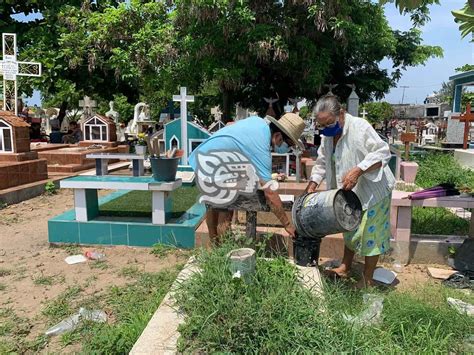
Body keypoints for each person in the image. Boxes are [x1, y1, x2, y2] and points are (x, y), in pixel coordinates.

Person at [306, 95, 395, 288]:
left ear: (342, 113)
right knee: (349, 228)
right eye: (323, 125)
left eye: (330, 123)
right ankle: (345, 267)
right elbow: (322, 162)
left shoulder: (360, 127)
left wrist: (358, 169)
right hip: (347, 192)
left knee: (370, 235)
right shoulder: (327, 136)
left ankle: (367, 279)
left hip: (372, 190)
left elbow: (382, 152)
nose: (327, 128)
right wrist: (312, 184)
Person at [189, 113, 306, 247]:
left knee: (213, 206)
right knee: (226, 213)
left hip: (202, 159)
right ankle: (223, 253)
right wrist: (287, 225)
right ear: (278, 136)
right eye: (289, 144)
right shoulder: (262, 148)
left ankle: (214, 247)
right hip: (217, 166)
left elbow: (230, 126)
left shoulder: (258, 122)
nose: (288, 149)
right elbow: (270, 194)